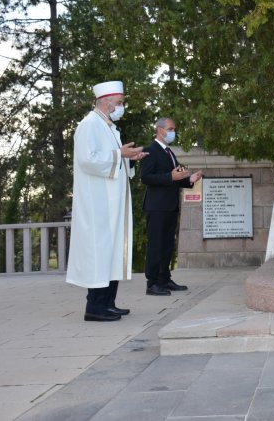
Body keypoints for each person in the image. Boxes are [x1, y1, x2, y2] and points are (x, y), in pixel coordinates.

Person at [66, 81, 148, 321]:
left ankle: (108, 302)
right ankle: (94, 307)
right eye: (119, 101)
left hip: (111, 203)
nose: (121, 106)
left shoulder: (109, 128)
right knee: (100, 252)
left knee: (111, 251)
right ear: (106, 100)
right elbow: (86, 160)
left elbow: (111, 159)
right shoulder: (89, 125)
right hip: (97, 204)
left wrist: (130, 158)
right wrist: (118, 155)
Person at [141, 117, 203, 296]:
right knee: (156, 245)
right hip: (157, 206)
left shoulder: (169, 152)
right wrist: (170, 177)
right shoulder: (150, 150)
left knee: (167, 245)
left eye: (174, 129)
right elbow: (146, 177)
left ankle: (164, 279)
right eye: (170, 128)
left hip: (170, 206)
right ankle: (152, 283)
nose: (173, 132)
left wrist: (189, 180)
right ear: (160, 130)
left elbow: (174, 179)